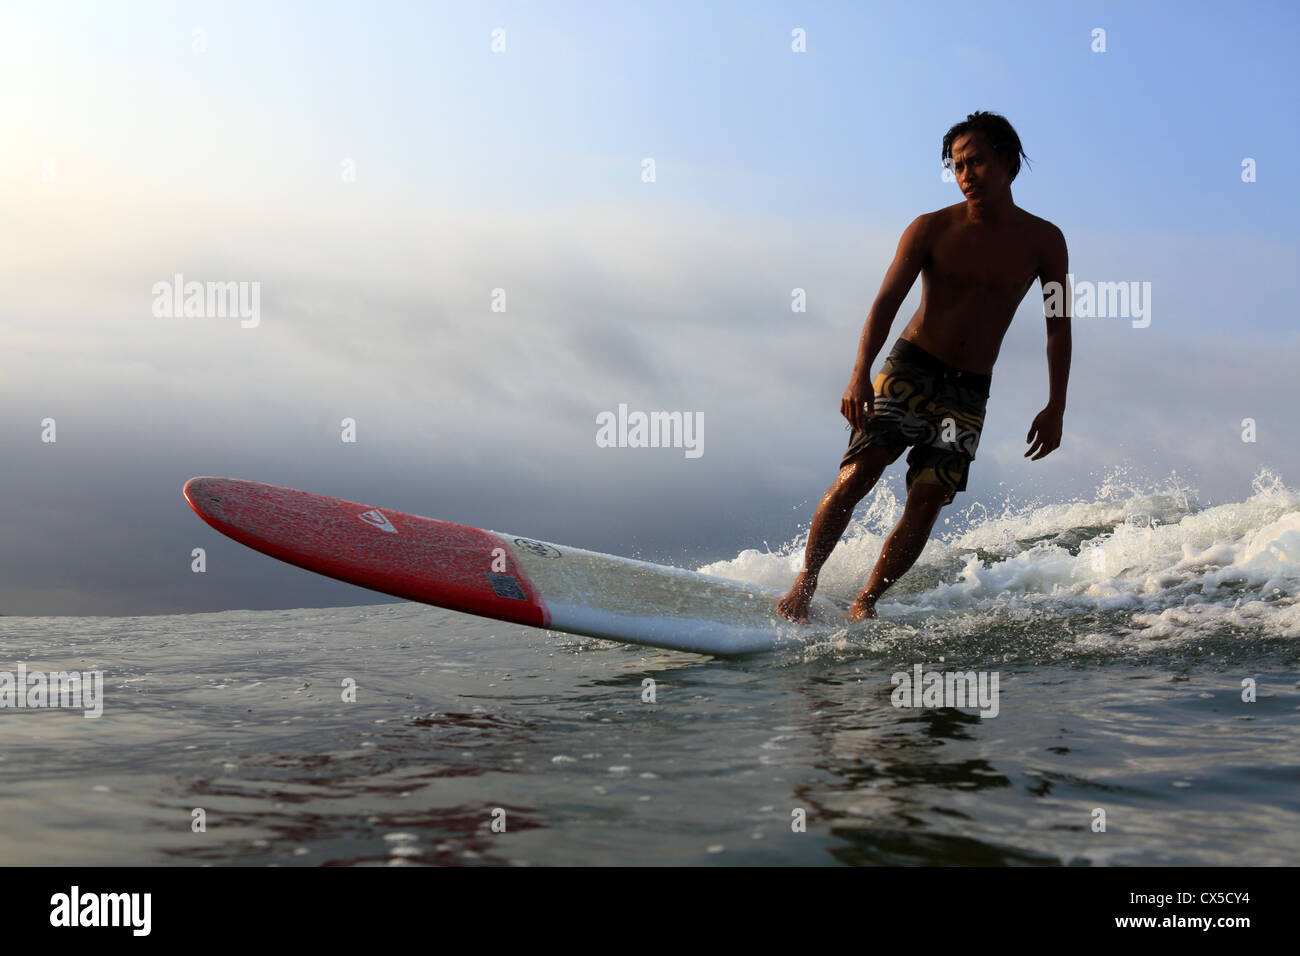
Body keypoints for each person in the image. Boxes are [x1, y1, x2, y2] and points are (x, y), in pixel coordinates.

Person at [776, 111, 1071, 624]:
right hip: (910, 368)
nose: (966, 174)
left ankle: (865, 601)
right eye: (957, 165)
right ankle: (806, 581)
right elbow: (885, 304)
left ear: (1007, 161)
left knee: (929, 498)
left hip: (970, 390)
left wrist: (1056, 405)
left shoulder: (1045, 241)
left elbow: (1059, 325)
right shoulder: (931, 229)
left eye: (976, 161)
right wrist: (858, 373)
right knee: (860, 472)